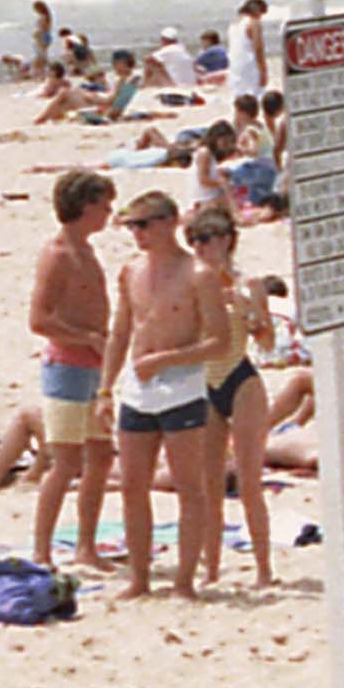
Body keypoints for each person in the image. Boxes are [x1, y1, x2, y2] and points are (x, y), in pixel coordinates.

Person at [99, 190, 229, 601]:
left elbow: (219, 341)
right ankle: (139, 579)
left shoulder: (198, 275)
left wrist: (169, 359)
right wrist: (104, 389)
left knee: (190, 487)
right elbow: (121, 331)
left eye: (144, 224)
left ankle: (184, 582)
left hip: (183, 387)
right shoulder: (130, 272)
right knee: (132, 485)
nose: (136, 233)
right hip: (138, 388)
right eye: (130, 225)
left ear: (169, 222)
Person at [29, 170, 116, 570]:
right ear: (84, 206)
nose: (108, 213)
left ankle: (86, 545)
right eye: (103, 205)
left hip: (95, 366)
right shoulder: (58, 254)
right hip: (67, 366)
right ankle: (42, 550)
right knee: (64, 462)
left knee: (100, 457)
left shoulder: (87, 251)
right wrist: (86, 338)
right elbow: (39, 319)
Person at [186, 205, 275, 590]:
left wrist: (249, 312)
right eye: (194, 241)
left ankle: (263, 568)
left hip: (241, 377)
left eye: (205, 240)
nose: (200, 248)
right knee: (209, 484)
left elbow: (268, 341)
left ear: (225, 242)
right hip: (205, 380)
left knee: (250, 481)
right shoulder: (190, 283)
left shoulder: (247, 283)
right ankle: (212, 568)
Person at [226, 0, 268, 101]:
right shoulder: (253, 23)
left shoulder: (234, 25)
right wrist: (263, 71)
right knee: (255, 98)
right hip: (250, 66)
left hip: (235, 66)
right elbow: (258, 48)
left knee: (240, 100)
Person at [30, 1, 54, 80]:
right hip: (46, 37)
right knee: (42, 56)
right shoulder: (47, 16)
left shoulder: (43, 17)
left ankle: (42, 74)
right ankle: (45, 73)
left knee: (41, 56)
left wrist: (36, 34)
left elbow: (42, 29)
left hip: (42, 37)